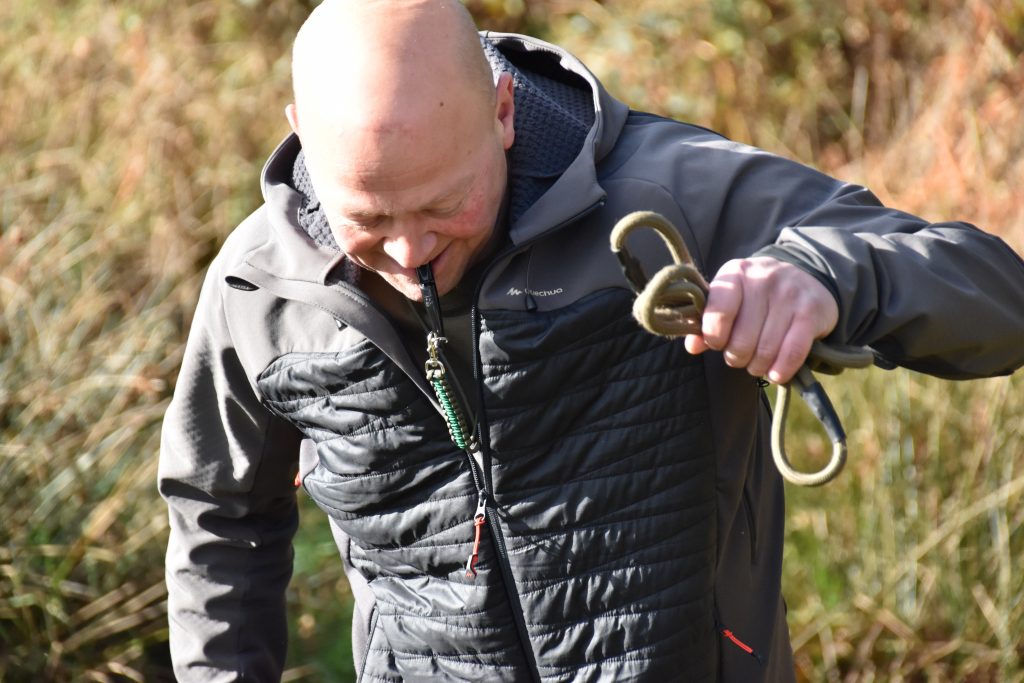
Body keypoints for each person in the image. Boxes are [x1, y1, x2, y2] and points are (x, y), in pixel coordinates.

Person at [158, 1, 1024, 681]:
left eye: (441, 204)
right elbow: (219, 513)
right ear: (301, 133)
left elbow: (997, 297)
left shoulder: (674, 194)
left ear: (502, 110)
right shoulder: (257, 286)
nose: (410, 251)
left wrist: (825, 277)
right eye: (371, 219)